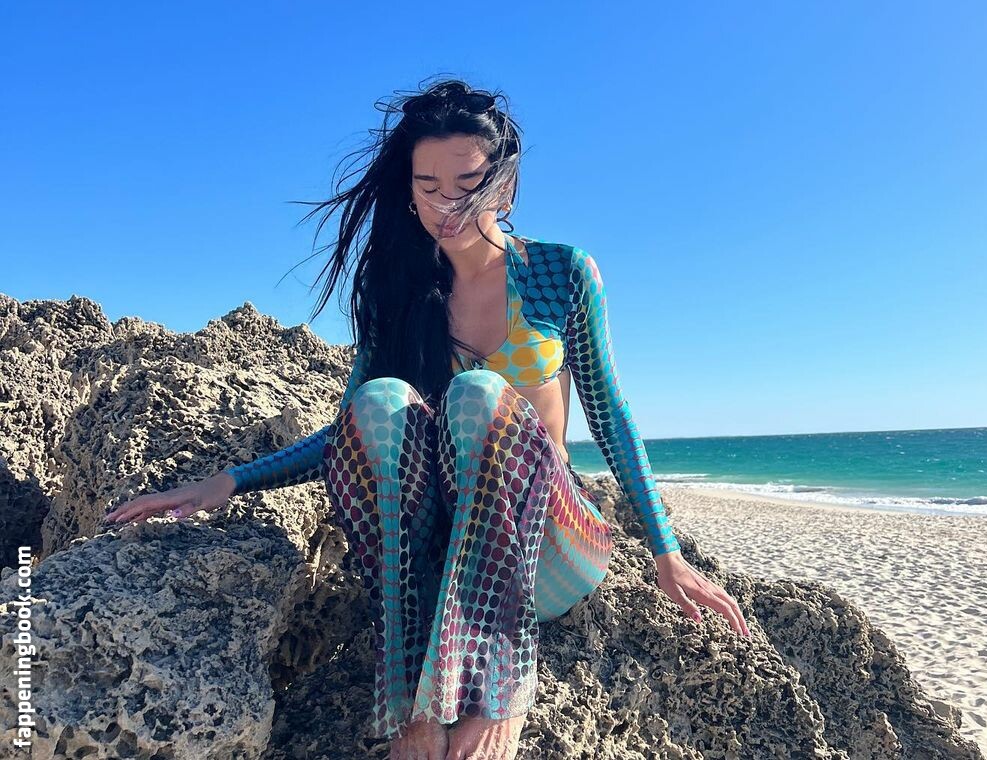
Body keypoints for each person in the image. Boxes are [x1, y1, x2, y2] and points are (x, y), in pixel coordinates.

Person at [102, 77, 750, 760]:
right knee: (381, 399)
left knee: (477, 395)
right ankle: (414, 693)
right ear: (408, 191)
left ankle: (500, 684)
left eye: (468, 184)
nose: (446, 205)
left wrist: (667, 553)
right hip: (449, 557)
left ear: (504, 185)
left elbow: (610, 412)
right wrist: (228, 481)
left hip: (549, 546)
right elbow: (352, 434)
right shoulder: (398, 293)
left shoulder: (561, 273)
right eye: (428, 186)